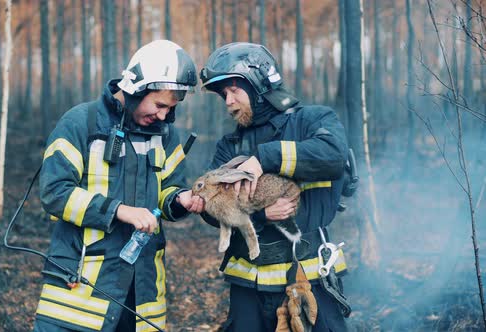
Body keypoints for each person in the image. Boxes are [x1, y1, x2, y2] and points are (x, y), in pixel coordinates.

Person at [33, 40, 204, 332]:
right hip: (78, 298)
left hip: (141, 297)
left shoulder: (165, 135)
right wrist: (119, 211)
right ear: (137, 88)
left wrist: (180, 200)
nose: (163, 115)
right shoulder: (80, 123)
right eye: (160, 104)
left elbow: (169, 190)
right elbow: (54, 192)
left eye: (170, 108)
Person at [199, 42, 351, 332]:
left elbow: (333, 156)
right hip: (248, 290)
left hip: (311, 278)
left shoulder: (312, 120)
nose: (228, 101)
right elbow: (210, 211)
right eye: (223, 95)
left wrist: (264, 158)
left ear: (257, 84)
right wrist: (259, 216)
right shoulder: (228, 147)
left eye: (233, 90)